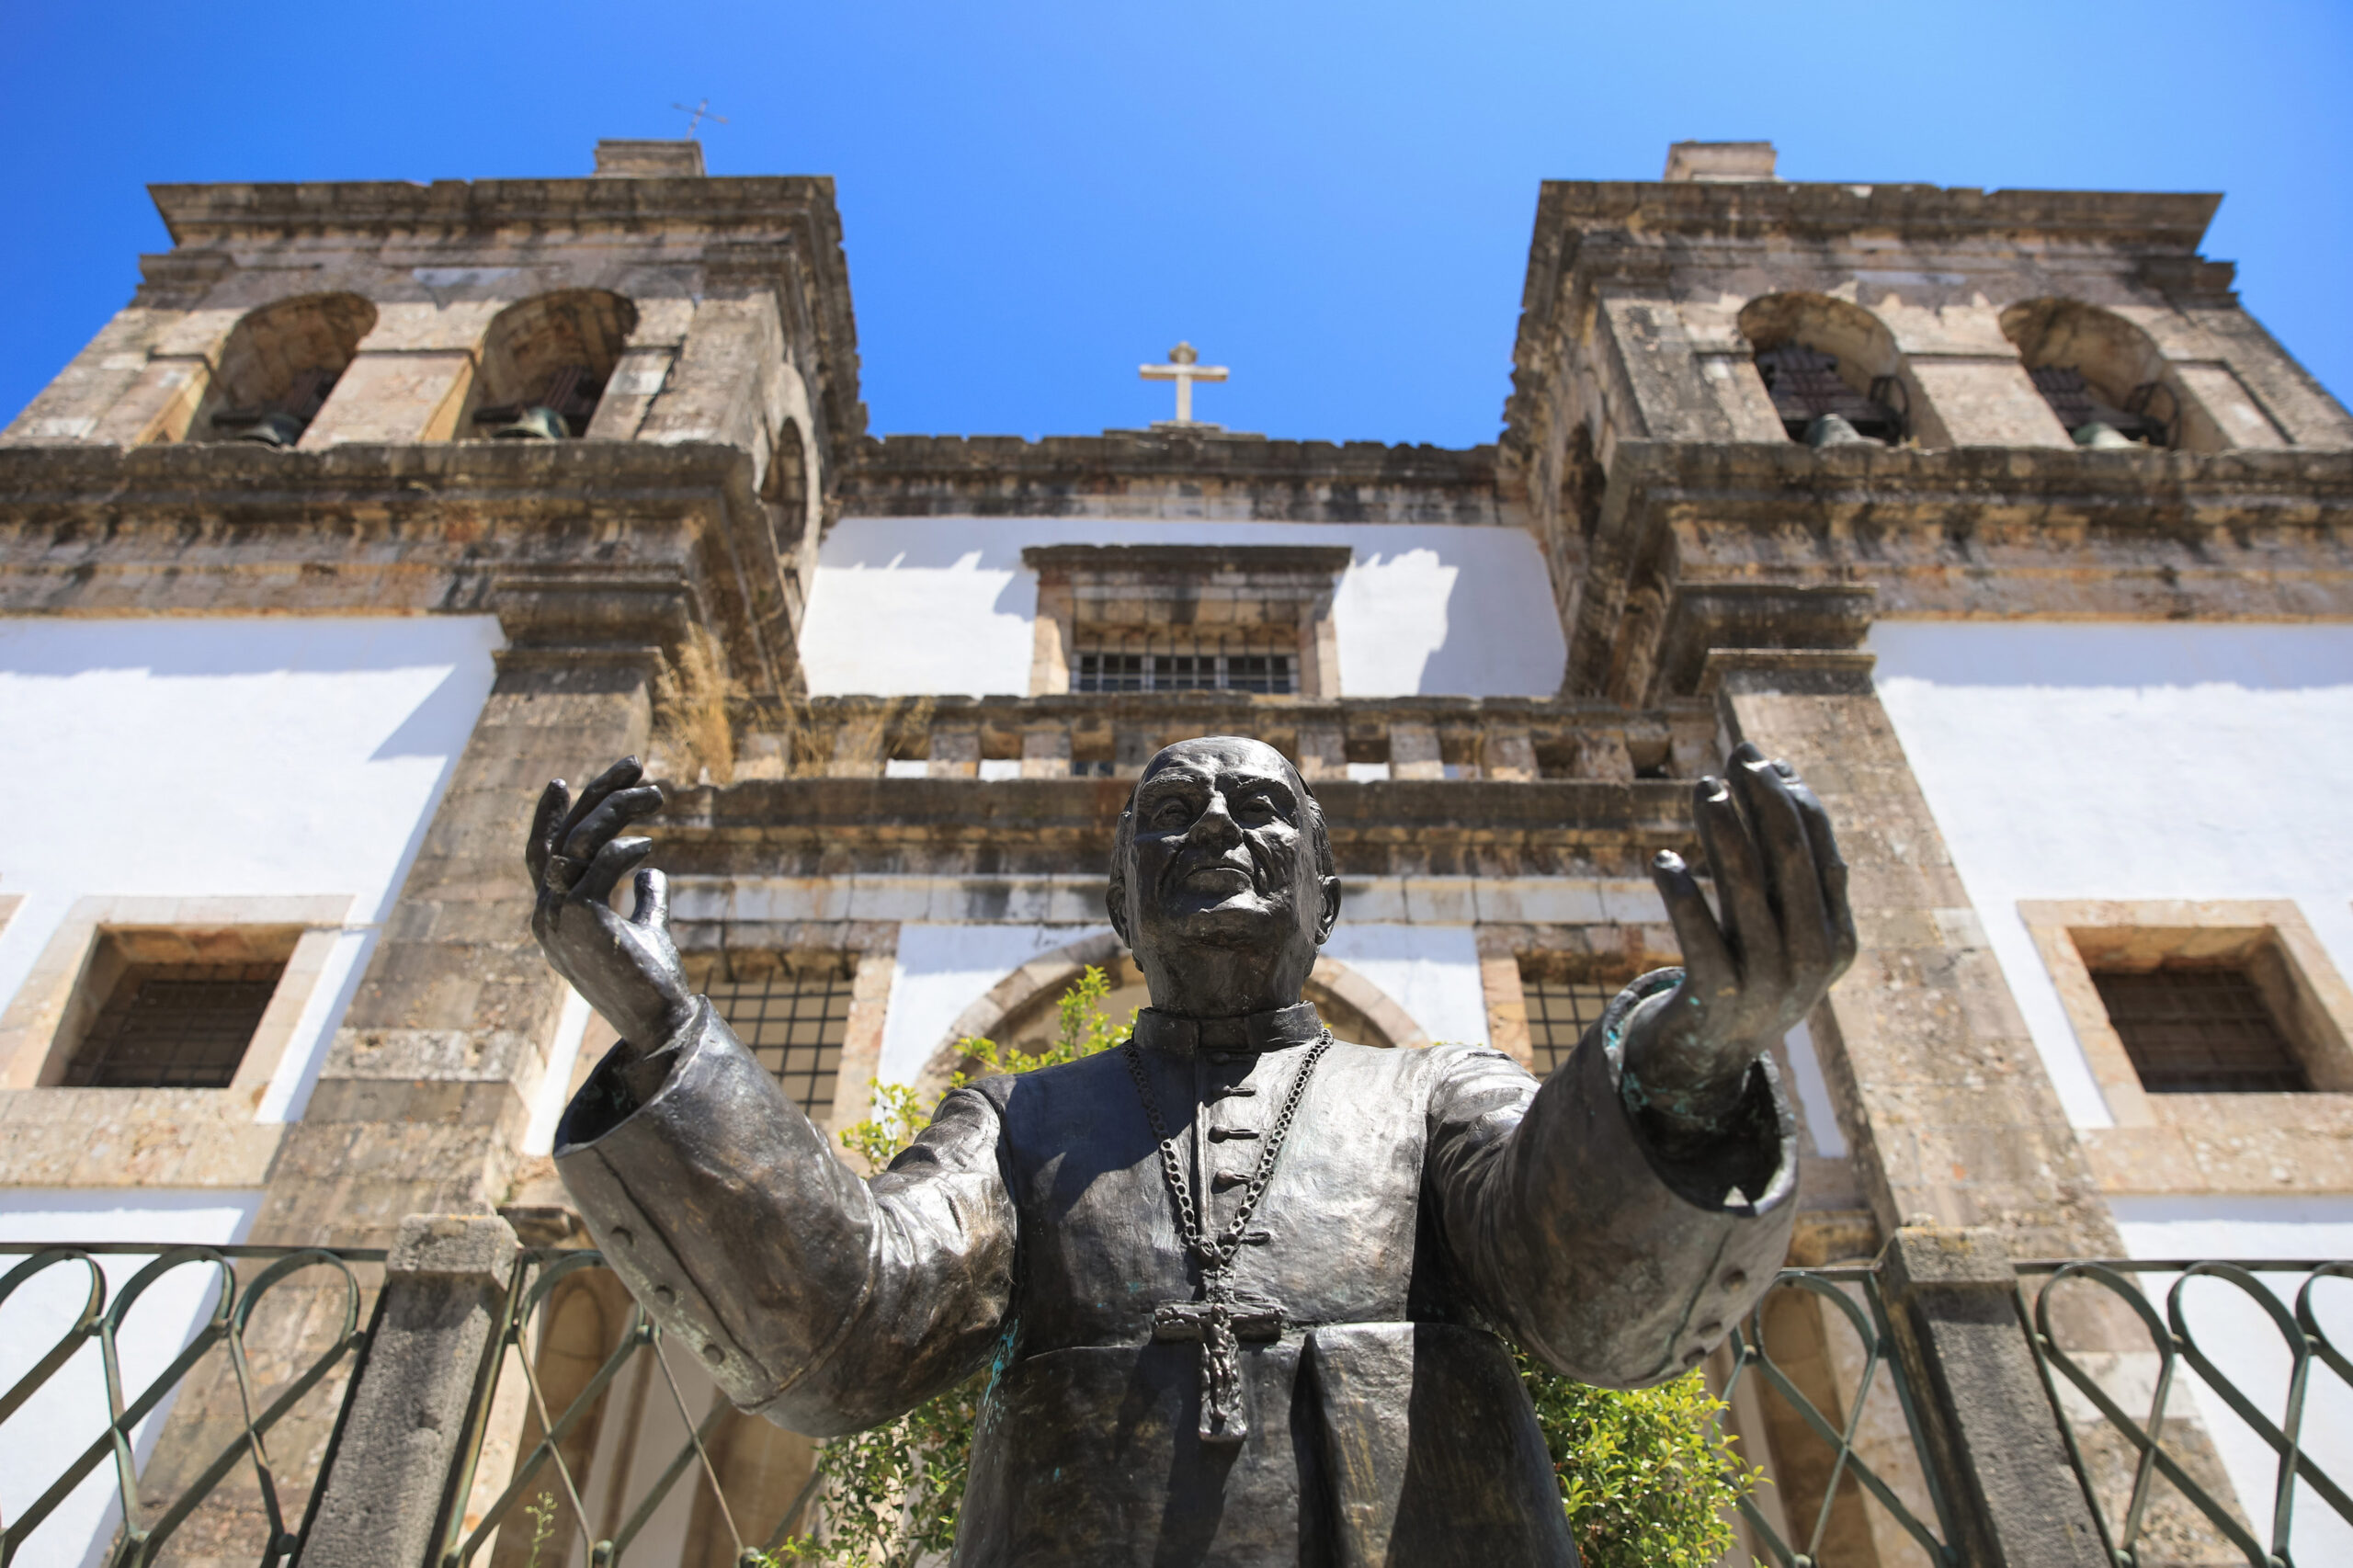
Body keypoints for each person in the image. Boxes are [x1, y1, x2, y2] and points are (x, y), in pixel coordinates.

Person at [529, 734, 1853, 1565]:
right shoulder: (1016, 1122)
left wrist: (1689, 1054)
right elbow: (849, 1327)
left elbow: (1587, 1300)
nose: (1218, 825)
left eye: (1263, 805)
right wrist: (664, 1024)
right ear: (1119, 905)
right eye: (1171, 814)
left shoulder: (1439, 1088)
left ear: (1325, 898)